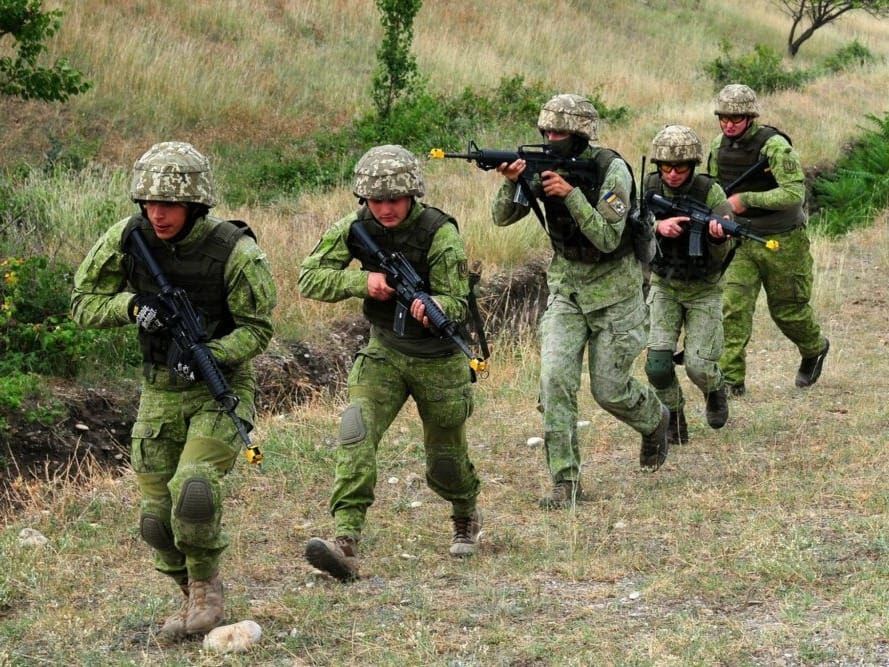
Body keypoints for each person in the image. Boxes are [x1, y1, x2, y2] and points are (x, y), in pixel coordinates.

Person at [70, 141, 276, 642]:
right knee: (155, 522)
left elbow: (258, 329)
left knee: (195, 489)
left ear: (196, 203)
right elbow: (81, 303)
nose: (157, 215)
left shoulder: (235, 251)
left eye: (170, 206)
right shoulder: (128, 238)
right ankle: (190, 594)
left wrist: (212, 353)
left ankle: (207, 589)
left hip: (217, 386)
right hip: (159, 391)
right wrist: (132, 306)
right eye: (149, 205)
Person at [298, 144, 482, 582]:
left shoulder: (440, 233)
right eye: (375, 201)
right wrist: (362, 281)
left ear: (413, 195)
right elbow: (309, 276)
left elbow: (458, 301)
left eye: (393, 199)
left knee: (445, 459)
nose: (384, 209)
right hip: (385, 350)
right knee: (355, 431)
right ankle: (344, 540)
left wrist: (434, 305)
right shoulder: (354, 228)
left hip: (438, 359)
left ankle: (464, 511)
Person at [492, 93, 670, 509]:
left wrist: (571, 194)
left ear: (580, 134)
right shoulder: (543, 167)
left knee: (609, 390)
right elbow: (501, 218)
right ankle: (565, 482)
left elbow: (608, 238)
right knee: (554, 380)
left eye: (560, 133)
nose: (551, 139)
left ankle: (653, 418)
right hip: (567, 291)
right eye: (546, 132)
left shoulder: (613, 172)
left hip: (617, 294)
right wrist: (511, 181)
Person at [707, 84, 829, 396]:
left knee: (788, 310)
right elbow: (714, 191)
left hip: (783, 240)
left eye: (736, 118)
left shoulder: (774, 146)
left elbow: (793, 193)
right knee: (733, 309)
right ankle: (731, 382)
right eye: (723, 118)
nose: (729, 124)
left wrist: (746, 199)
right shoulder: (717, 147)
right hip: (740, 242)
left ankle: (814, 348)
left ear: (750, 117)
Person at [644, 125, 732, 445]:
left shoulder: (711, 193)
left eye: (680, 168)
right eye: (665, 167)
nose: (672, 174)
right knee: (657, 366)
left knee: (698, 366)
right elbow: (626, 224)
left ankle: (715, 389)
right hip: (664, 284)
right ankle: (674, 416)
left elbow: (724, 252)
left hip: (703, 288)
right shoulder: (649, 186)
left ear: (693, 166)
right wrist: (657, 226)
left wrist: (714, 237)